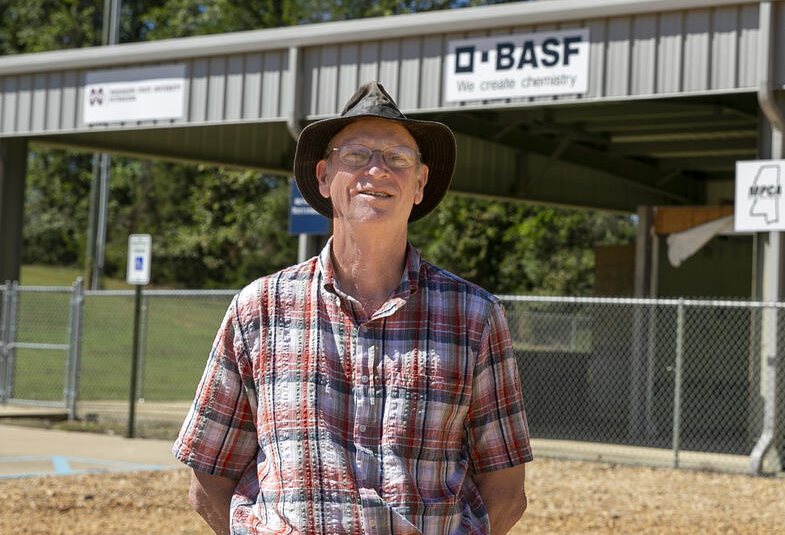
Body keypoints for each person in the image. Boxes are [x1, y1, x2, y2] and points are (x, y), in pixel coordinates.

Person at [173, 81, 532, 535]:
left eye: (398, 158)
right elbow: (208, 478)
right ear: (324, 177)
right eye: (357, 155)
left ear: (420, 183)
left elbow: (506, 491)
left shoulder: (474, 317)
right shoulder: (258, 310)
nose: (377, 171)